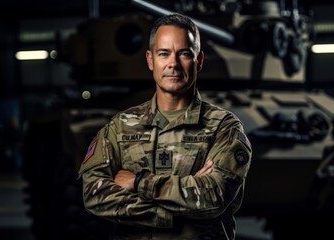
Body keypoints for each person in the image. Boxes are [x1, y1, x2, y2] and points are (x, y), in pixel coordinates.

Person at [78, 13, 252, 240]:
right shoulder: (121, 127)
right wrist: (170, 212)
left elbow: (213, 197)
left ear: (198, 61)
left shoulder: (223, 128)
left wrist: (138, 181)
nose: (173, 64)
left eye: (184, 54)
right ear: (150, 60)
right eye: (164, 54)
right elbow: (93, 193)